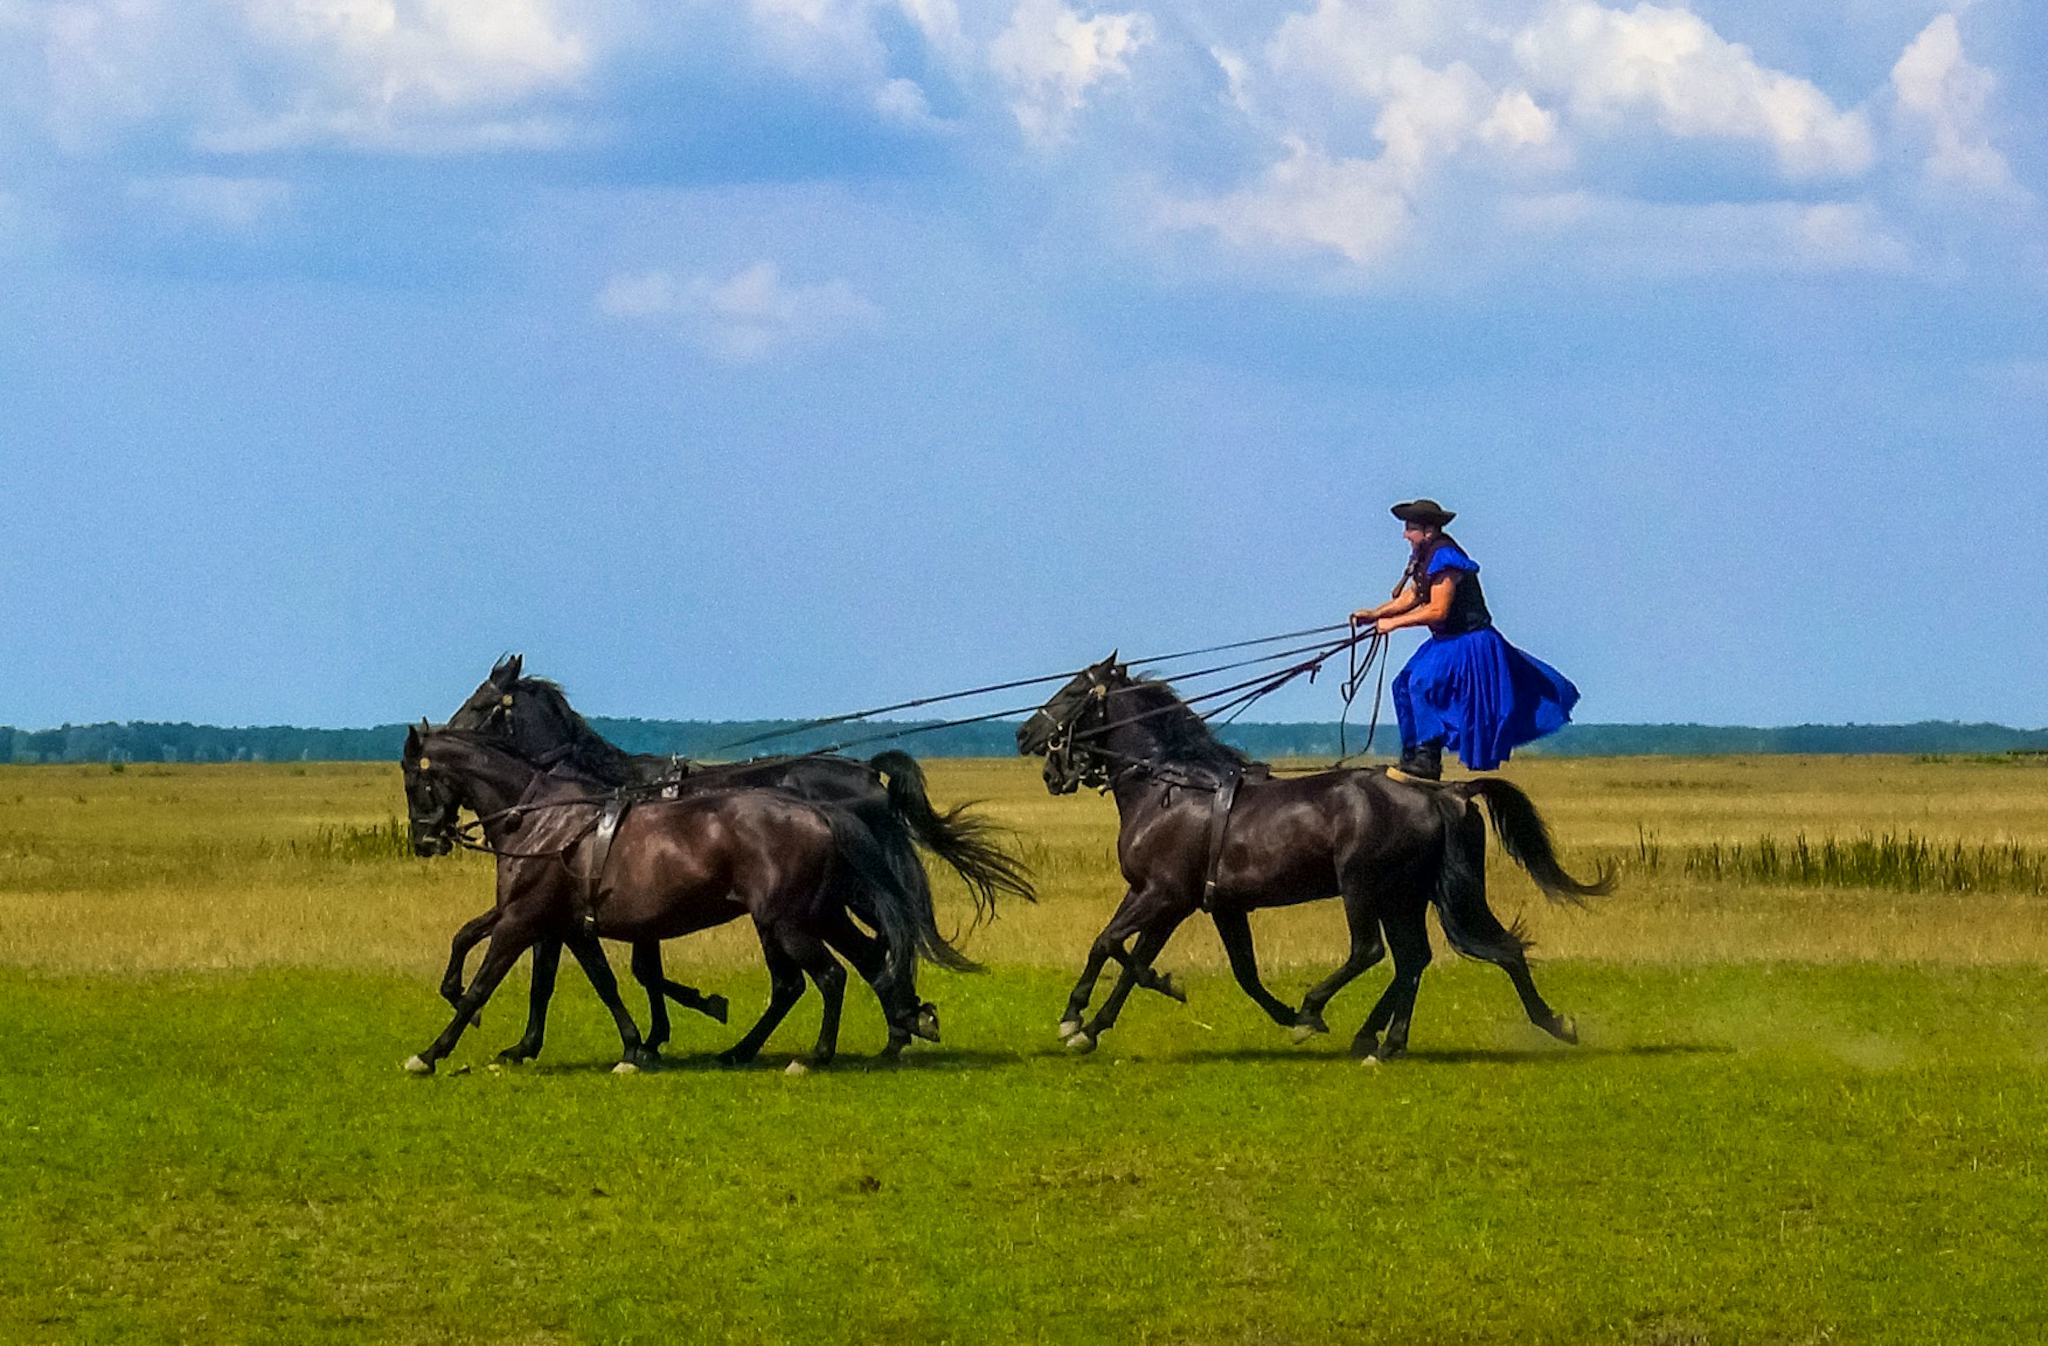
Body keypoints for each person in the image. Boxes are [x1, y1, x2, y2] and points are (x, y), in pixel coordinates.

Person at [1349, 498, 1579, 780]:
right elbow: (1413, 595)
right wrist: (1375, 614)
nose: (1405, 535)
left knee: (1422, 683)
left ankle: (1427, 758)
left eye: (1410, 529)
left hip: (1468, 640)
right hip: (1446, 639)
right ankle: (1411, 753)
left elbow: (1437, 609)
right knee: (1402, 684)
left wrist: (1393, 624)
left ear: (1429, 530)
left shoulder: (1445, 558)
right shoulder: (1424, 555)